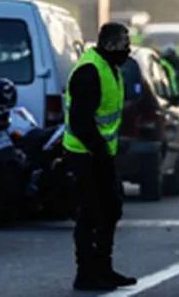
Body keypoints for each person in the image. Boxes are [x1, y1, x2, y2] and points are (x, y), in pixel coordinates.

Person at [63, 22, 137, 291]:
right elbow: (81, 121)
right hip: (85, 154)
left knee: (110, 209)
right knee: (91, 213)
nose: (127, 51)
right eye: (123, 45)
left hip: (99, 154)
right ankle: (86, 273)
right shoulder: (89, 71)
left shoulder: (109, 68)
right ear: (109, 45)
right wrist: (100, 152)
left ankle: (103, 268)